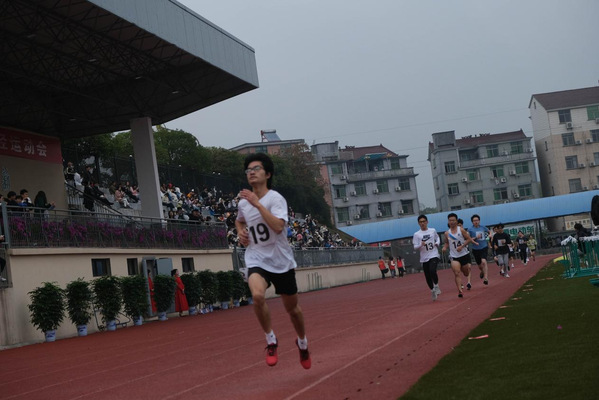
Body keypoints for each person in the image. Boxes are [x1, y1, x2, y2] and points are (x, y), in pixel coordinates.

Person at [235, 153, 311, 369]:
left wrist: (258, 205)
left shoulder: (275, 199)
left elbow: (278, 227)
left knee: (293, 310)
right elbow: (239, 221)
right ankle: (271, 340)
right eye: (248, 170)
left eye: (256, 168)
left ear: (267, 174)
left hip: (280, 261)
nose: (251, 172)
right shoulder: (244, 203)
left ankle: (302, 343)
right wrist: (241, 232)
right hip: (256, 258)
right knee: (257, 296)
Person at [443, 213, 477, 298]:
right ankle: (460, 291)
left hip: (464, 254)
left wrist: (462, 246)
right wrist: (444, 247)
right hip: (454, 256)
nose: (452, 222)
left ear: (456, 221)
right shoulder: (447, 233)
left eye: (453, 220)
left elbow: (469, 239)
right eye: (450, 220)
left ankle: (464, 270)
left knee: (466, 273)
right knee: (456, 272)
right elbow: (447, 242)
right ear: (448, 221)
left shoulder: (461, 230)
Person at [413, 214, 442, 301]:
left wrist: (437, 243)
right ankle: (432, 290)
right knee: (427, 276)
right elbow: (415, 247)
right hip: (424, 257)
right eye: (420, 222)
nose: (422, 223)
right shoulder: (417, 234)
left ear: (427, 222)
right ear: (418, 223)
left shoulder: (432, 230)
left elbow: (438, 238)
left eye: (424, 221)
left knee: (432, 270)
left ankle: (436, 285)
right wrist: (420, 245)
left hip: (433, 254)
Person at [467, 214, 490, 286]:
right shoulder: (470, 229)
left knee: (484, 261)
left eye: (477, 220)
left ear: (479, 221)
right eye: (474, 221)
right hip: (475, 249)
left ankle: (486, 278)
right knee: (480, 265)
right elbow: (468, 239)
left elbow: (489, 232)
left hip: (484, 247)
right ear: (472, 222)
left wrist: (490, 235)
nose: (476, 222)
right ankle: (482, 271)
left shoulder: (483, 227)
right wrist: (476, 237)